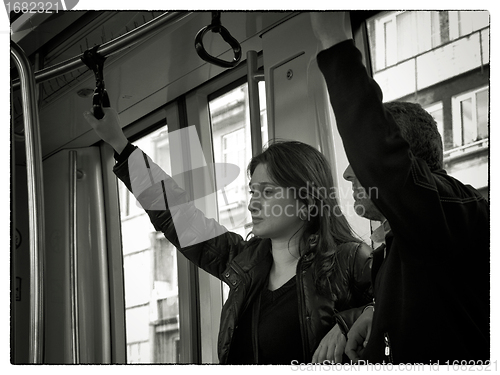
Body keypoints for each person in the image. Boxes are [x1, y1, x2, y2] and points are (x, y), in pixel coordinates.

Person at [84, 108, 373, 364]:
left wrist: (350, 322)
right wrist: (120, 145)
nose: (252, 204)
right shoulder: (244, 261)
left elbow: (402, 307)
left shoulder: (349, 260)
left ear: (308, 200)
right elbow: (178, 215)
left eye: (268, 192)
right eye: (253, 191)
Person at [310, 12, 489, 364]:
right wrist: (375, 314)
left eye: (359, 162)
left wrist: (333, 39)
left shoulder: (450, 209)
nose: (348, 174)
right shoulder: (407, 241)